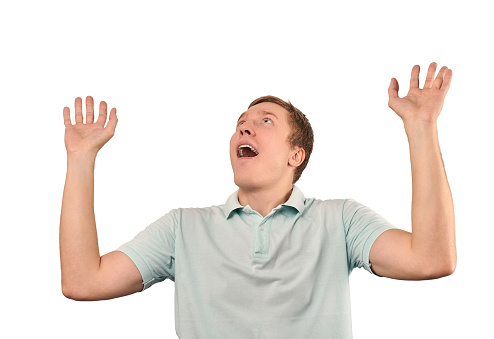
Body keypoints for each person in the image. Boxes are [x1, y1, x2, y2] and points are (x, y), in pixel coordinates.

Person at [60, 62, 456, 338]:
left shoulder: (341, 221)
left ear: (295, 155)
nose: (245, 127)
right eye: (240, 124)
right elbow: (83, 282)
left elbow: (431, 259)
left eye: (265, 121)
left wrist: (421, 128)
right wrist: (80, 160)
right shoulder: (182, 229)